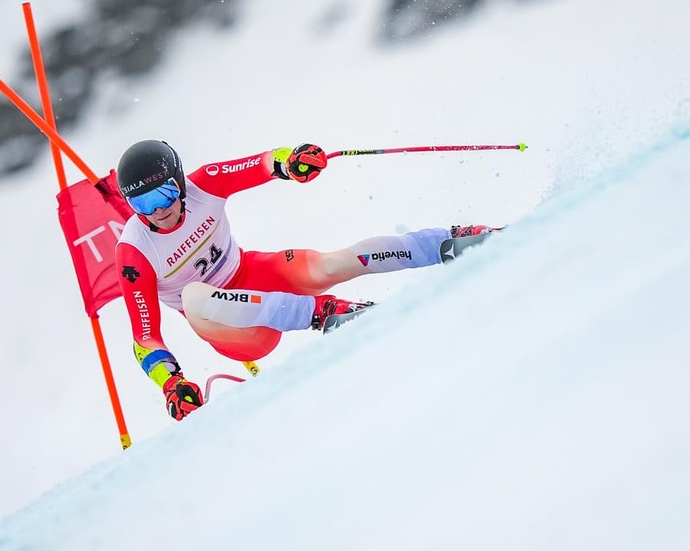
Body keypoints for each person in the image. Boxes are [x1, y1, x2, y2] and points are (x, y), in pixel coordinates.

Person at [114, 140, 494, 420]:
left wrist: (292, 162)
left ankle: (443, 242)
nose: (159, 210)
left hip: (256, 275)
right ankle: (322, 314)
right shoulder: (135, 252)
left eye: (164, 194)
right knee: (195, 295)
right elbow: (145, 339)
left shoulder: (203, 184)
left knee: (329, 265)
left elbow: (263, 163)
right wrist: (172, 384)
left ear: (179, 181)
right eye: (142, 205)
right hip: (237, 330)